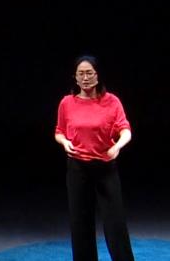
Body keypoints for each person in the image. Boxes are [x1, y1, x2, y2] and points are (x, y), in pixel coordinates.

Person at [54, 55, 135, 261]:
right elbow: (59, 131)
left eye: (89, 73)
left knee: (115, 222)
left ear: (98, 75)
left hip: (105, 167)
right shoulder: (66, 103)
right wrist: (65, 142)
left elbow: (125, 130)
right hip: (77, 168)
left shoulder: (112, 101)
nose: (85, 77)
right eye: (81, 73)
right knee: (80, 222)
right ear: (75, 77)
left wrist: (117, 146)